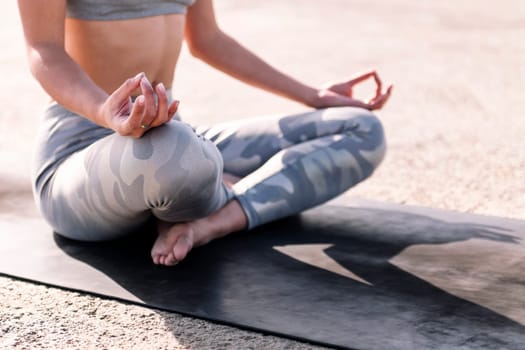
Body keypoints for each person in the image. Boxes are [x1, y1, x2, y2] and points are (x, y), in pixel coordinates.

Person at [18, 0, 392, 266]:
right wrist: (106, 111)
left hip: (167, 139)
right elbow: (43, 49)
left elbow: (208, 39)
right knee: (179, 153)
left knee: (361, 128)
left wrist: (312, 95)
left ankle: (212, 220)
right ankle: (217, 185)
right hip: (84, 157)